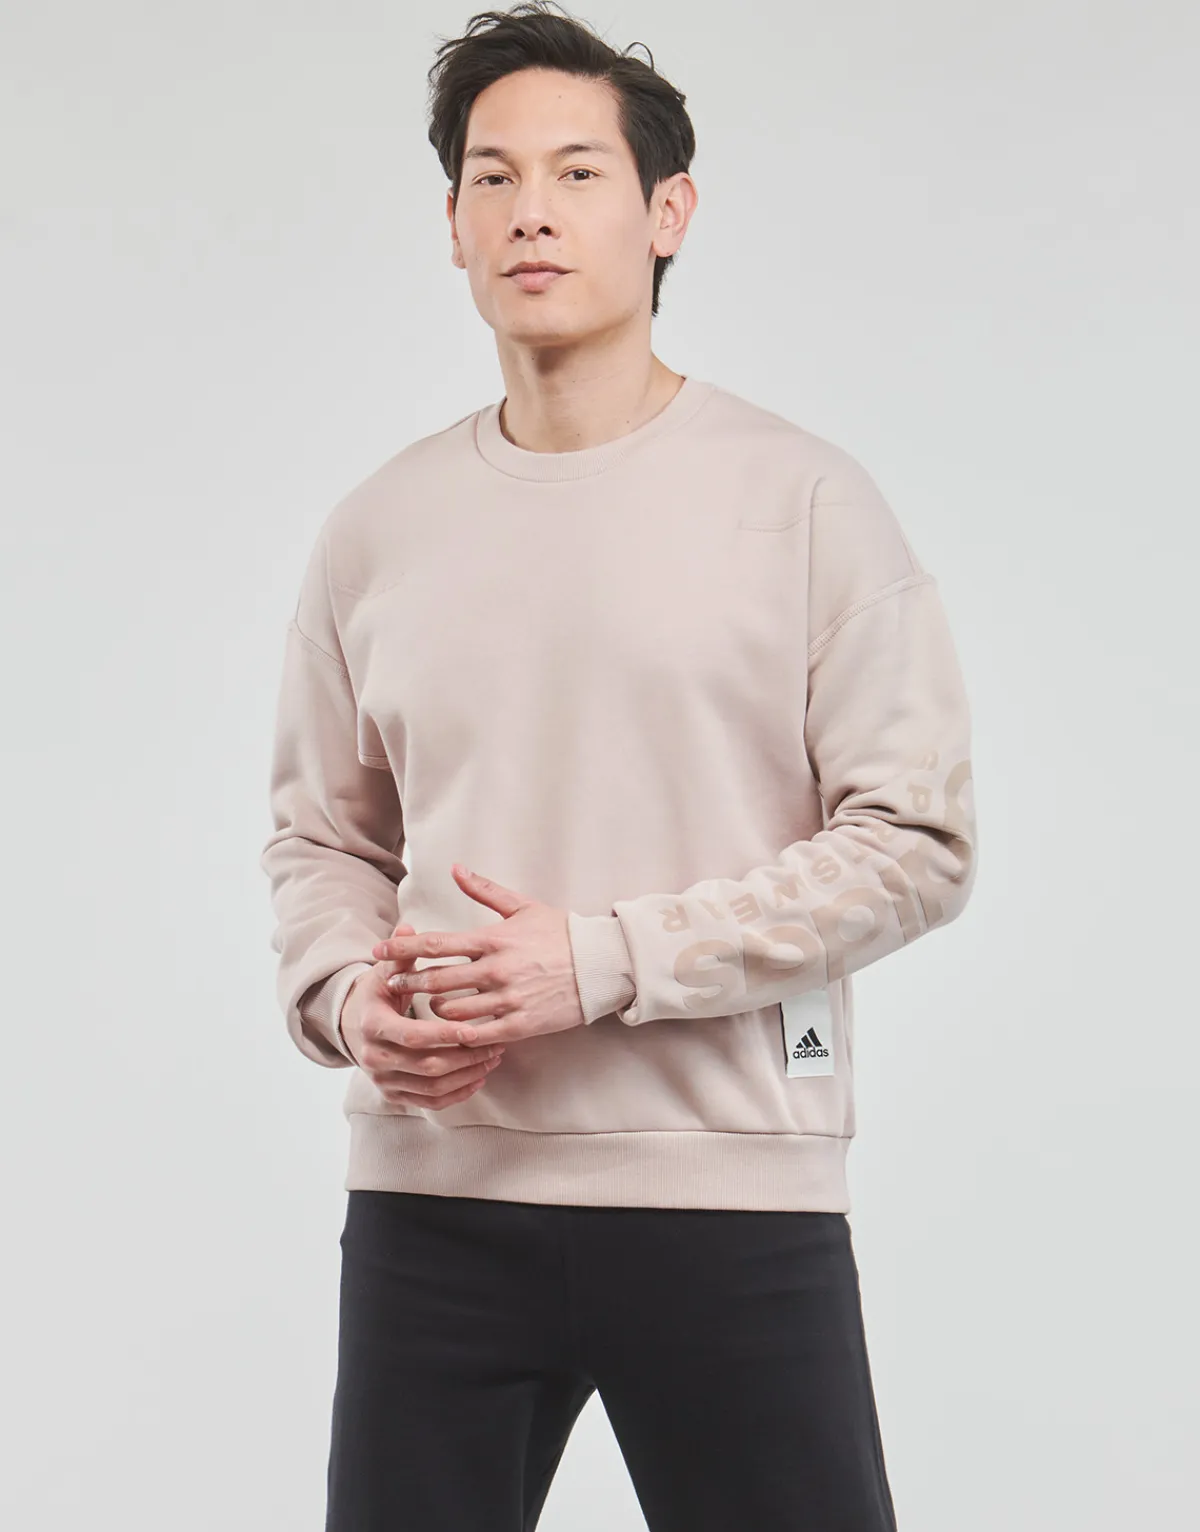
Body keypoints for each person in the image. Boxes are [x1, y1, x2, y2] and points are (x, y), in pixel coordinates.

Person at [259, 4, 979, 1528]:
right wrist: (345, 1000)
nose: (532, 210)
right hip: (433, 1200)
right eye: (493, 176)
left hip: (726, 1186)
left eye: (578, 172)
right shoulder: (376, 529)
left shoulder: (805, 502)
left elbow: (916, 841)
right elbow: (323, 837)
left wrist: (597, 963)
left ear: (668, 212)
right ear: (453, 227)